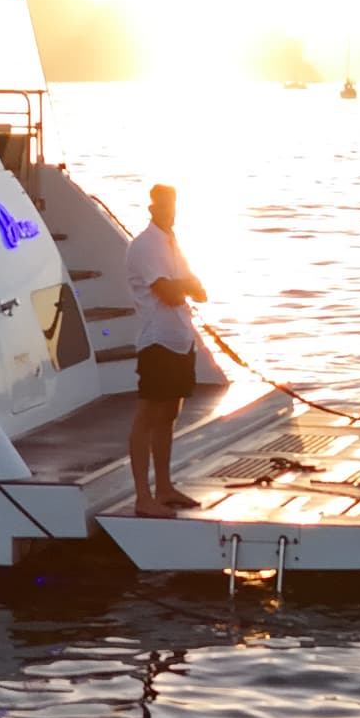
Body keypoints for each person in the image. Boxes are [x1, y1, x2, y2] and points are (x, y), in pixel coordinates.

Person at [125, 184, 209, 511]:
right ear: (152, 208)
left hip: (180, 337)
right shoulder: (145, 245)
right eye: (163, 206)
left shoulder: (173, 243)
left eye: (173, 206)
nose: (169, 212)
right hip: (157, 340)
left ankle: (164, 487)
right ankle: (143, 497)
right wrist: (184, 286)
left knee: (169, 413)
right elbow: (168, 293)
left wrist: (185, 285)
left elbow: (199, 292)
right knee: (148, 413)